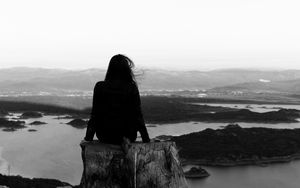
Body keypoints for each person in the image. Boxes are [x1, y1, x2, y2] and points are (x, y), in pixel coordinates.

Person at [84, 54, 150, 144]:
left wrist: (88, 137)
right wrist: (146, 139)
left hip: (105, 136)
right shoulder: (131, 87)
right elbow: (138, 115)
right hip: (127, 136)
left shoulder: (100, 87)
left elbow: (95, 114)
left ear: (110, 69)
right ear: (126, 70)